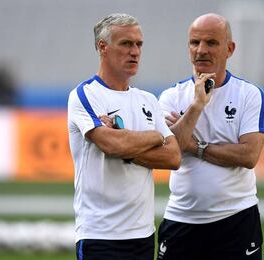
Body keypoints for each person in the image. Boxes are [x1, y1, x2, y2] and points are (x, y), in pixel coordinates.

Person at [67, 13, 181, 260]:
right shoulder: (85, 95)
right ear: (102, 47)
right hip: (100, 235)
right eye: (126, 44)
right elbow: (112, 144)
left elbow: (173, 157)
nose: (135, 51)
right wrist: (155, 136)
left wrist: (129, 141)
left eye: (139, 44)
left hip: (142, 234)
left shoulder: (148, 100)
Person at [157, 13, 264, 260]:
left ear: (229, 49)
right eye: (194, 42)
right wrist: (197, 105)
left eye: (211, 42)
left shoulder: (249, 95)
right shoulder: (170, 97)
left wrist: (196, 146)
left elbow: (249, 155)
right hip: (181, 218)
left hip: (236, 219)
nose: (201, 50)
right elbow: (171, 151)